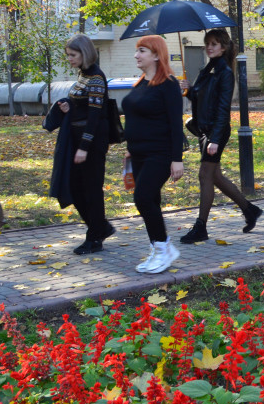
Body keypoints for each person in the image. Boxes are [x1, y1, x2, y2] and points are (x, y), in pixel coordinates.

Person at [178, 29, 263, 244]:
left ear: (223, 47)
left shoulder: (224, 72)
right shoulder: (208, 68)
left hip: (216, 130)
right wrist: (189, 90)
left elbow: (224, 107)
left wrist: (215, 139)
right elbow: (202, 97)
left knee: (205, 175)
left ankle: (201, 227)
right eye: (208, 43)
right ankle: (249, 210)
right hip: (205, 130)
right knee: (215, 176)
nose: (209, 47)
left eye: (214, 44)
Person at [122, 35, 185, 273]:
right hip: (138, 153)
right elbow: (136, 118)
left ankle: (163, 248)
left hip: (159, 153)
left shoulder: (168, 84)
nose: (136, 55)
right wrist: (130, 148)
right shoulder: (140, 84)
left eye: (142, 51)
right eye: (137, 51)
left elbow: (175, 124)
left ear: (157, 55)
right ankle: (158, 248)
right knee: (152, 201)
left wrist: (177, 159)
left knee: (143, 198)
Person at [54, 34, 113, 254]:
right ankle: (100, 227)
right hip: (77, 138)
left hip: (92, 141)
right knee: (75, 187)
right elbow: (83, 106)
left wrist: (84, 148)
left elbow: (95, 117)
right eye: (68, 54)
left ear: (84, 53)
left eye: (72, 54)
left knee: (91, 189)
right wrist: (70, 109)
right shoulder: (84, 75)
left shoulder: (96, 77)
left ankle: (95, 237)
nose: (69, 58)